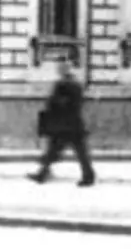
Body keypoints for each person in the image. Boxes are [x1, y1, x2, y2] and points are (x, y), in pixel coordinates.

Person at [30, 59, 95, 187]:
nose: (58, 70)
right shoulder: (75, 84)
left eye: (60, 68)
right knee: (74, 151)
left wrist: (52, 106)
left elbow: (58, 102)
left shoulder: (64, 84)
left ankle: (43, 174)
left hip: (65, 124)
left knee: (63, 150)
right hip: (72, 123)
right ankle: (43, 173)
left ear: (64, 70)